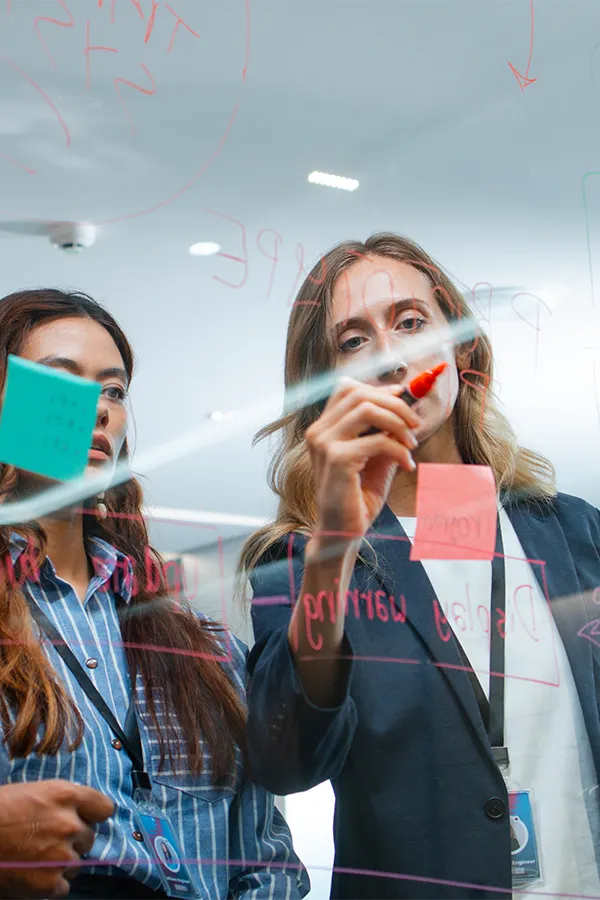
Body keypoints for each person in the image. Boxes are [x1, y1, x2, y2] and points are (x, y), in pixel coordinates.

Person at [239, 233, 600, 900]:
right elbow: (283, 759)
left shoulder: (570, 531)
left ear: (463, 349)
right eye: (353, 341)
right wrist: (335, 542)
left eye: (410, 322)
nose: (390, 354)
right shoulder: (301, 561)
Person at [0, 289, 309, 900]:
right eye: (61, 380)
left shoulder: (201, 642)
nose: (99, 409)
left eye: (114, 390)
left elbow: (267, 858)